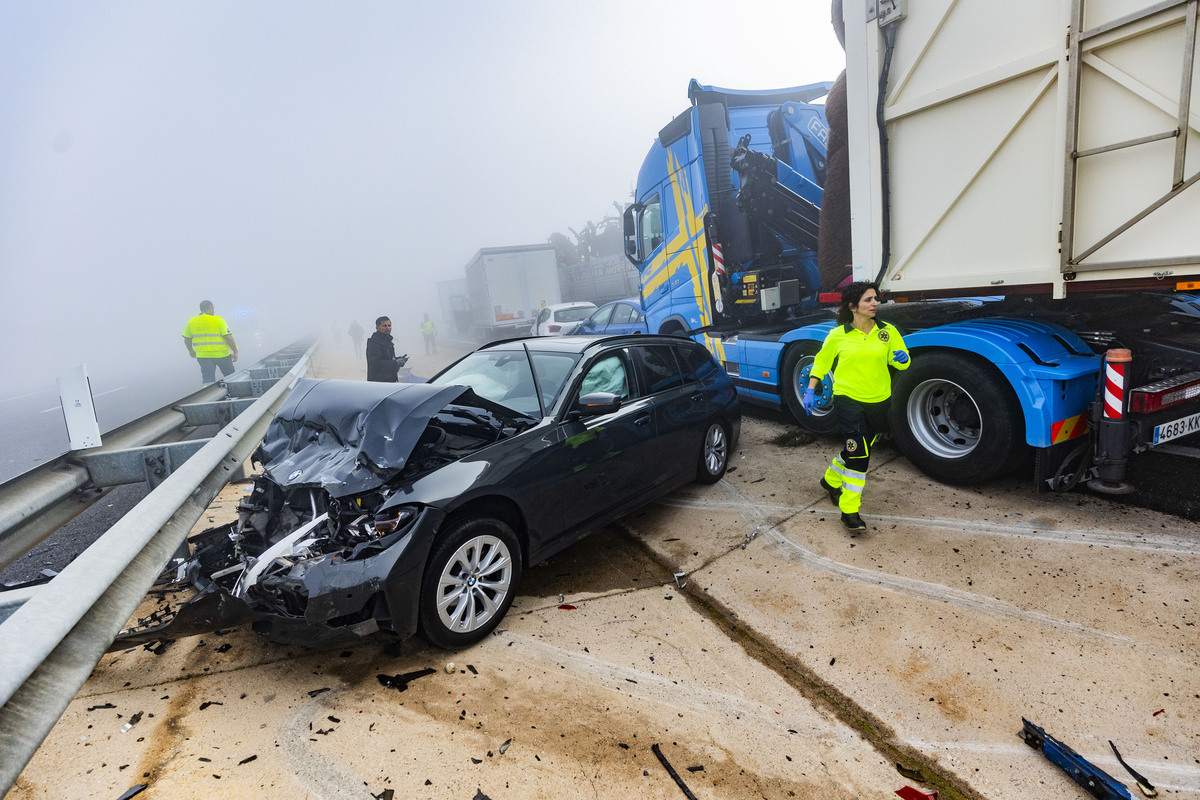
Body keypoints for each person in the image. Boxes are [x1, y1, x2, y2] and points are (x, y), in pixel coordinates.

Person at [802, 282, 910, 531]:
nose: (875, 304)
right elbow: (821, 363)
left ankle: (830, 480)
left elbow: (901, 360)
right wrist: (810, 389)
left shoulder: (887, 332)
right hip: (848, 400)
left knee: (859, 448)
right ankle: (849, 510)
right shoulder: (838, 335)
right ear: (852, 306)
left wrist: (903, 359)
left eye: (876, 299)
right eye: (868, 300)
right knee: (860, 456)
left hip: (880, 401)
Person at [182, 300, 239, 384]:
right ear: (211, 308)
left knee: (208, 379)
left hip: (203, 356)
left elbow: (187, 339)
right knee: (230, 377)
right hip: (222, 355)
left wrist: (191, 351)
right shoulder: (217, 319)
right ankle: (236, 391)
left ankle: (208, 393)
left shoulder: (192, 321)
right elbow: (228, 337)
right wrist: (235, 351)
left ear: (201, 309)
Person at [366, 316, 407, 382]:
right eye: (384, 326)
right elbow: (375, 363)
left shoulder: (388, 342)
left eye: (389, 325)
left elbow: (387, 359)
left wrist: (399, 359)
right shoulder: (374, 343)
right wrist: (395, 363)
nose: (387, 328)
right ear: (377, 328)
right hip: (379, 382)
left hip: (391, 380)